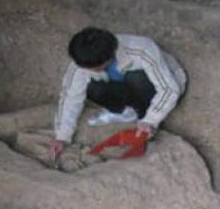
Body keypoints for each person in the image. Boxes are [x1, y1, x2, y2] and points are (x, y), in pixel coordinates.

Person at [50, 27, 187, 159]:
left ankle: (143, 117)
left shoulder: (141, 49)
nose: (88, 69)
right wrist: (62, 137)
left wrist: (150, 120)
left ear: (108, 57)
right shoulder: (83, 61)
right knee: (92, 87)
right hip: (123, 88)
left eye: (94, 67)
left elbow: (168, 89)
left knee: (136, 78)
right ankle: (126, 112)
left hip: (160, 83)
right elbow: (71, 97)